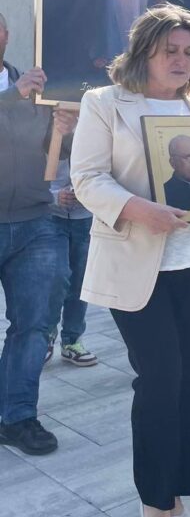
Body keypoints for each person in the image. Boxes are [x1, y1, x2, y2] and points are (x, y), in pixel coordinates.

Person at [70, 3, 190, 517]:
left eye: (189, 52)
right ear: (144, 50)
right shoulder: (105, 103)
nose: (181, 60)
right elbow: (87, 178)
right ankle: (154, 499)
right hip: (137, 268)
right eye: (169, 50)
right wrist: (136, 208)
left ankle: (177, 490)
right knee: (160, 378)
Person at [0, 11, 76, 455]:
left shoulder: (36, 88)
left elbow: (53, 152)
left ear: (6, 35)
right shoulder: (21, 91)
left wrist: (64, 130)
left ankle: (17, 416)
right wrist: (13, 98)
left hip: (34, 222)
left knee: (34, 325)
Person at [46, 157, 98, 367]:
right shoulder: (43, 139)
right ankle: (45, 335)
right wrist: (54, 196)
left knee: (80, 282)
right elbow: (29, 179)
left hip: (85, 219)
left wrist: (91, 194)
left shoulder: (91, 139)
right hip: (51, 218)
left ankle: (72, 340)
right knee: (56, 278)